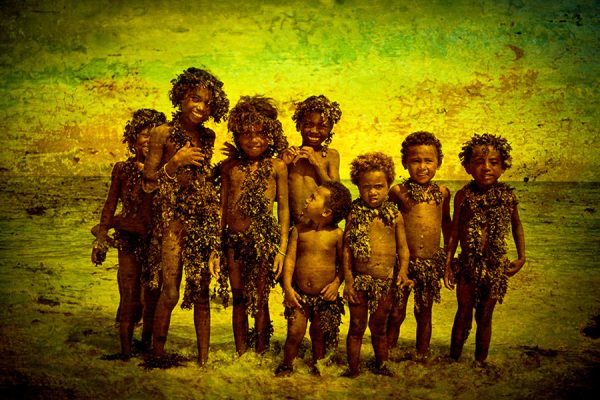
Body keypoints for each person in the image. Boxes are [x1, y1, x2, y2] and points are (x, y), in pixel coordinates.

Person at [143, 67, 229, 366]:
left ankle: (204, 362)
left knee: (202, 291)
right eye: (195, 99)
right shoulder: (162, 133)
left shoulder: (208, 136)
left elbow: (204, 179)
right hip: (172, 221)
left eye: (208, 104)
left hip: (202, 219)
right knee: (170, 291)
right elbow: (149, 180)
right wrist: (175, 161)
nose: (201, 108)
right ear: (181, 96)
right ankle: (156, 354)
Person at [444, 133, 526, 364]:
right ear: (468, 167)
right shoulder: (464, 195)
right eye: (479, 162)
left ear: (503, 167)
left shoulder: (507, 196)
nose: (486, 168)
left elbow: (517, 226)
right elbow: (455, 233)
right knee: (463, 313)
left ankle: (480, 362)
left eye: (494, 163)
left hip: (495, 266)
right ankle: (453, 360)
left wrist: (522, 257)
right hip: (468, 266)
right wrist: (448, 264)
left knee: (485, 315)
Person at [91, 108, 167, 359]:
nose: (149, 141)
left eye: (155, 137)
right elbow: (110, 204)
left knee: (153, 297)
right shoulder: (123, 169)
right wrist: (101, 237)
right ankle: (124, 353)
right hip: (129, 239)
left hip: (157, 240)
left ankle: (146, 346)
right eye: (144, 135)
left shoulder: (166, 172)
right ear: (133, 138)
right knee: (129, 296)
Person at [219, 95, 289, 355]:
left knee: (260, 300)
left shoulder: (277, 167)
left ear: (270, 135)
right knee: (238, 299)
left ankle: (260, 353)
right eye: (246, 133)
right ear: (237, 135)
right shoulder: (230, 167)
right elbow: (223, 210)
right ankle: (241, 354)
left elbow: (284, 211)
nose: (253, 140)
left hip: (264, 242)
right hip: (234, 242)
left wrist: (281, 249)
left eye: (260, 133)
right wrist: (217, 248)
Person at [342, 152, 412, 377]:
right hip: (361, 281)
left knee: (379, 328)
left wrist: (402, 272)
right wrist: (349, 282)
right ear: (358, 186)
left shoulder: (394, 214)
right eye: (366, 187)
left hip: (385, 282)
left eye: (379, 186)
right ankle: (353, 370)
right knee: (356, 328)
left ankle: (382, 367)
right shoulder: (354, 214)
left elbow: (403, 249)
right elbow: (347, 250)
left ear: (388, 185)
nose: (372, 192)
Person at [275, 181, 352, 376]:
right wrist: (288, 289)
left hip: (324, 297)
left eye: (313, 198)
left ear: (326, 212)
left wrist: (336, 284)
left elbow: (344, 264)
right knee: (294, 333)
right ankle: (287, 365)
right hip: (299, 295)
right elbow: (290, 260)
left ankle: (317, 368)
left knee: (318, 335)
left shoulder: (336, 234)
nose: (307, 199)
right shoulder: (299, 230)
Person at [386, 131, 452, 358]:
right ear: (405, 163)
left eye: (428, 161)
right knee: (396, 312)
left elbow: (446, 224)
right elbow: (386, 226)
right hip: (402, 263)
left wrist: (449, 260)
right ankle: (386, 356)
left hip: (430, 264)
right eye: (415, 161)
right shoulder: (398, 192)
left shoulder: (442, 193)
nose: (422, 167)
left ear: (439, 163)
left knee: (424, 314)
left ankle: (422, 357)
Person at [280, 95, 342, 225]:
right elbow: (278, 194)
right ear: (299, 125)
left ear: (330, 129)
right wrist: (283, 164)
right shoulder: (289, 155)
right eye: (308, 124)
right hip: (295, 226)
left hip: (321, 226)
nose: (314, 131)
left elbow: (337, 193)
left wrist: (317, 164)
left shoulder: (331, 155)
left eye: (322, 126)